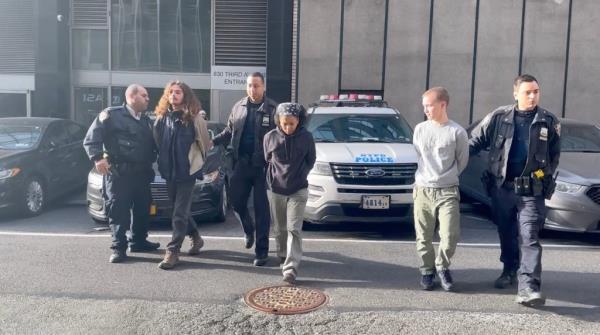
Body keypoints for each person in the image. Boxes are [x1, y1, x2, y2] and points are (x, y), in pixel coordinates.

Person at [469, 74, 561, 306]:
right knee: (506, 231)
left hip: (531, 191)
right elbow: (474, 142)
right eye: (527, 92)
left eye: (536, 92)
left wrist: (537, 178)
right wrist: (452, 159)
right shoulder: (499, 117)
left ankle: (528, 287)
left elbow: (553, 158)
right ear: (516, 94)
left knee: (529, 236)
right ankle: (509, 268)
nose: (532, 96)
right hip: (502, 187)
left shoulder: (548, 121)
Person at [83, 84, 160, 263]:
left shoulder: (146, 121)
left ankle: (138, 241)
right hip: (119, 174)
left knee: (143, 208)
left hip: (141, 174)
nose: (148, 98)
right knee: (118, 211)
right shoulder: (111, 116)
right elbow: (91, 138)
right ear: (132, 97)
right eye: (144, 95)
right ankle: (118, 248)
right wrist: (97, 158)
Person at [211, 72, 277, 266]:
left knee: (262, 210)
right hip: (242, 163)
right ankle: (249, 230)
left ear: (263, 87)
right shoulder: (238, 107)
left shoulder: (272, 109)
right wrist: (212, 142)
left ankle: (262, 251)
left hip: (263, 167)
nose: (252, 89)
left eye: (256, 85)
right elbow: (229, 131)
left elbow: (281, 136)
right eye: (249, 85)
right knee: (236, 201)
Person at [412, 87, 469, 291]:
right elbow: (419, 156)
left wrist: (447, 176)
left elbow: (462, 161)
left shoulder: (457, 132)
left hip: (447, 190)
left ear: (443, 104)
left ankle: (442, 265)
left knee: (450, 234)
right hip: (423, 189)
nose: (426, 109)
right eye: (424, 106)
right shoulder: (420, 129)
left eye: (429, 105)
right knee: (423, 235)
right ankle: (427, 270)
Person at [153, 81, 211, 270]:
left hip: (187, 173)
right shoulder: (162, 119)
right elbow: (158, 143)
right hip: (169, 172)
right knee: (178, 211)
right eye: (171, 92)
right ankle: (196, 237)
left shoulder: (195, 119)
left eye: (178, 92)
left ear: (185, 96)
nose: (174, 95)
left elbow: (205, 145)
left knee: (179, 214)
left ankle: (173, 251)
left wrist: (201, 168)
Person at [264, 103, 316, 284]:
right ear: (278, 120)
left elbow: (311, 160)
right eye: (284, 123)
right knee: (280, 228)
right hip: (275, 189)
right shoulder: (269, 137)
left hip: (298, 189)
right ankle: (282, 254)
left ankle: (291, 268)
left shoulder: (307, 138)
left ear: (299, 121)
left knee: (294, 228)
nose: (288, 127)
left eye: (292, 124)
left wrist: (301, 174)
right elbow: (267, 160)